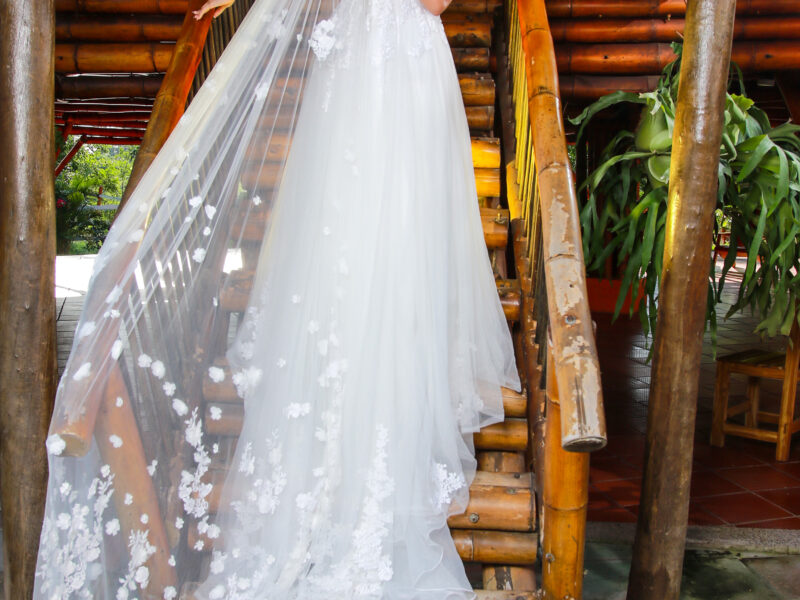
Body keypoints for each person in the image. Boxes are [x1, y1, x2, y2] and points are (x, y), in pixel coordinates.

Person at [34, 0, 520, 597]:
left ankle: (373, 457)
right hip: (360, 68)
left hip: (405, 66)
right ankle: (336, 461)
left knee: (399, 243)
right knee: (345, 242)